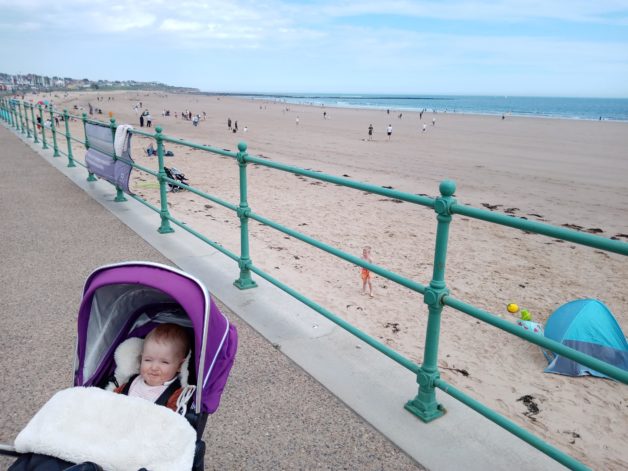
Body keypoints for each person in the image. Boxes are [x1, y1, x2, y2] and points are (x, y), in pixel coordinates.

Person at [114, 323, 190, 412]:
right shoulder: (133, 381)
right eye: (148, 360)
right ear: (141, 358)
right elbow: (112, 398)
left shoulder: (174, 394)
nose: (154, 367)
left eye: (164, 362)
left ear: (179, 366)